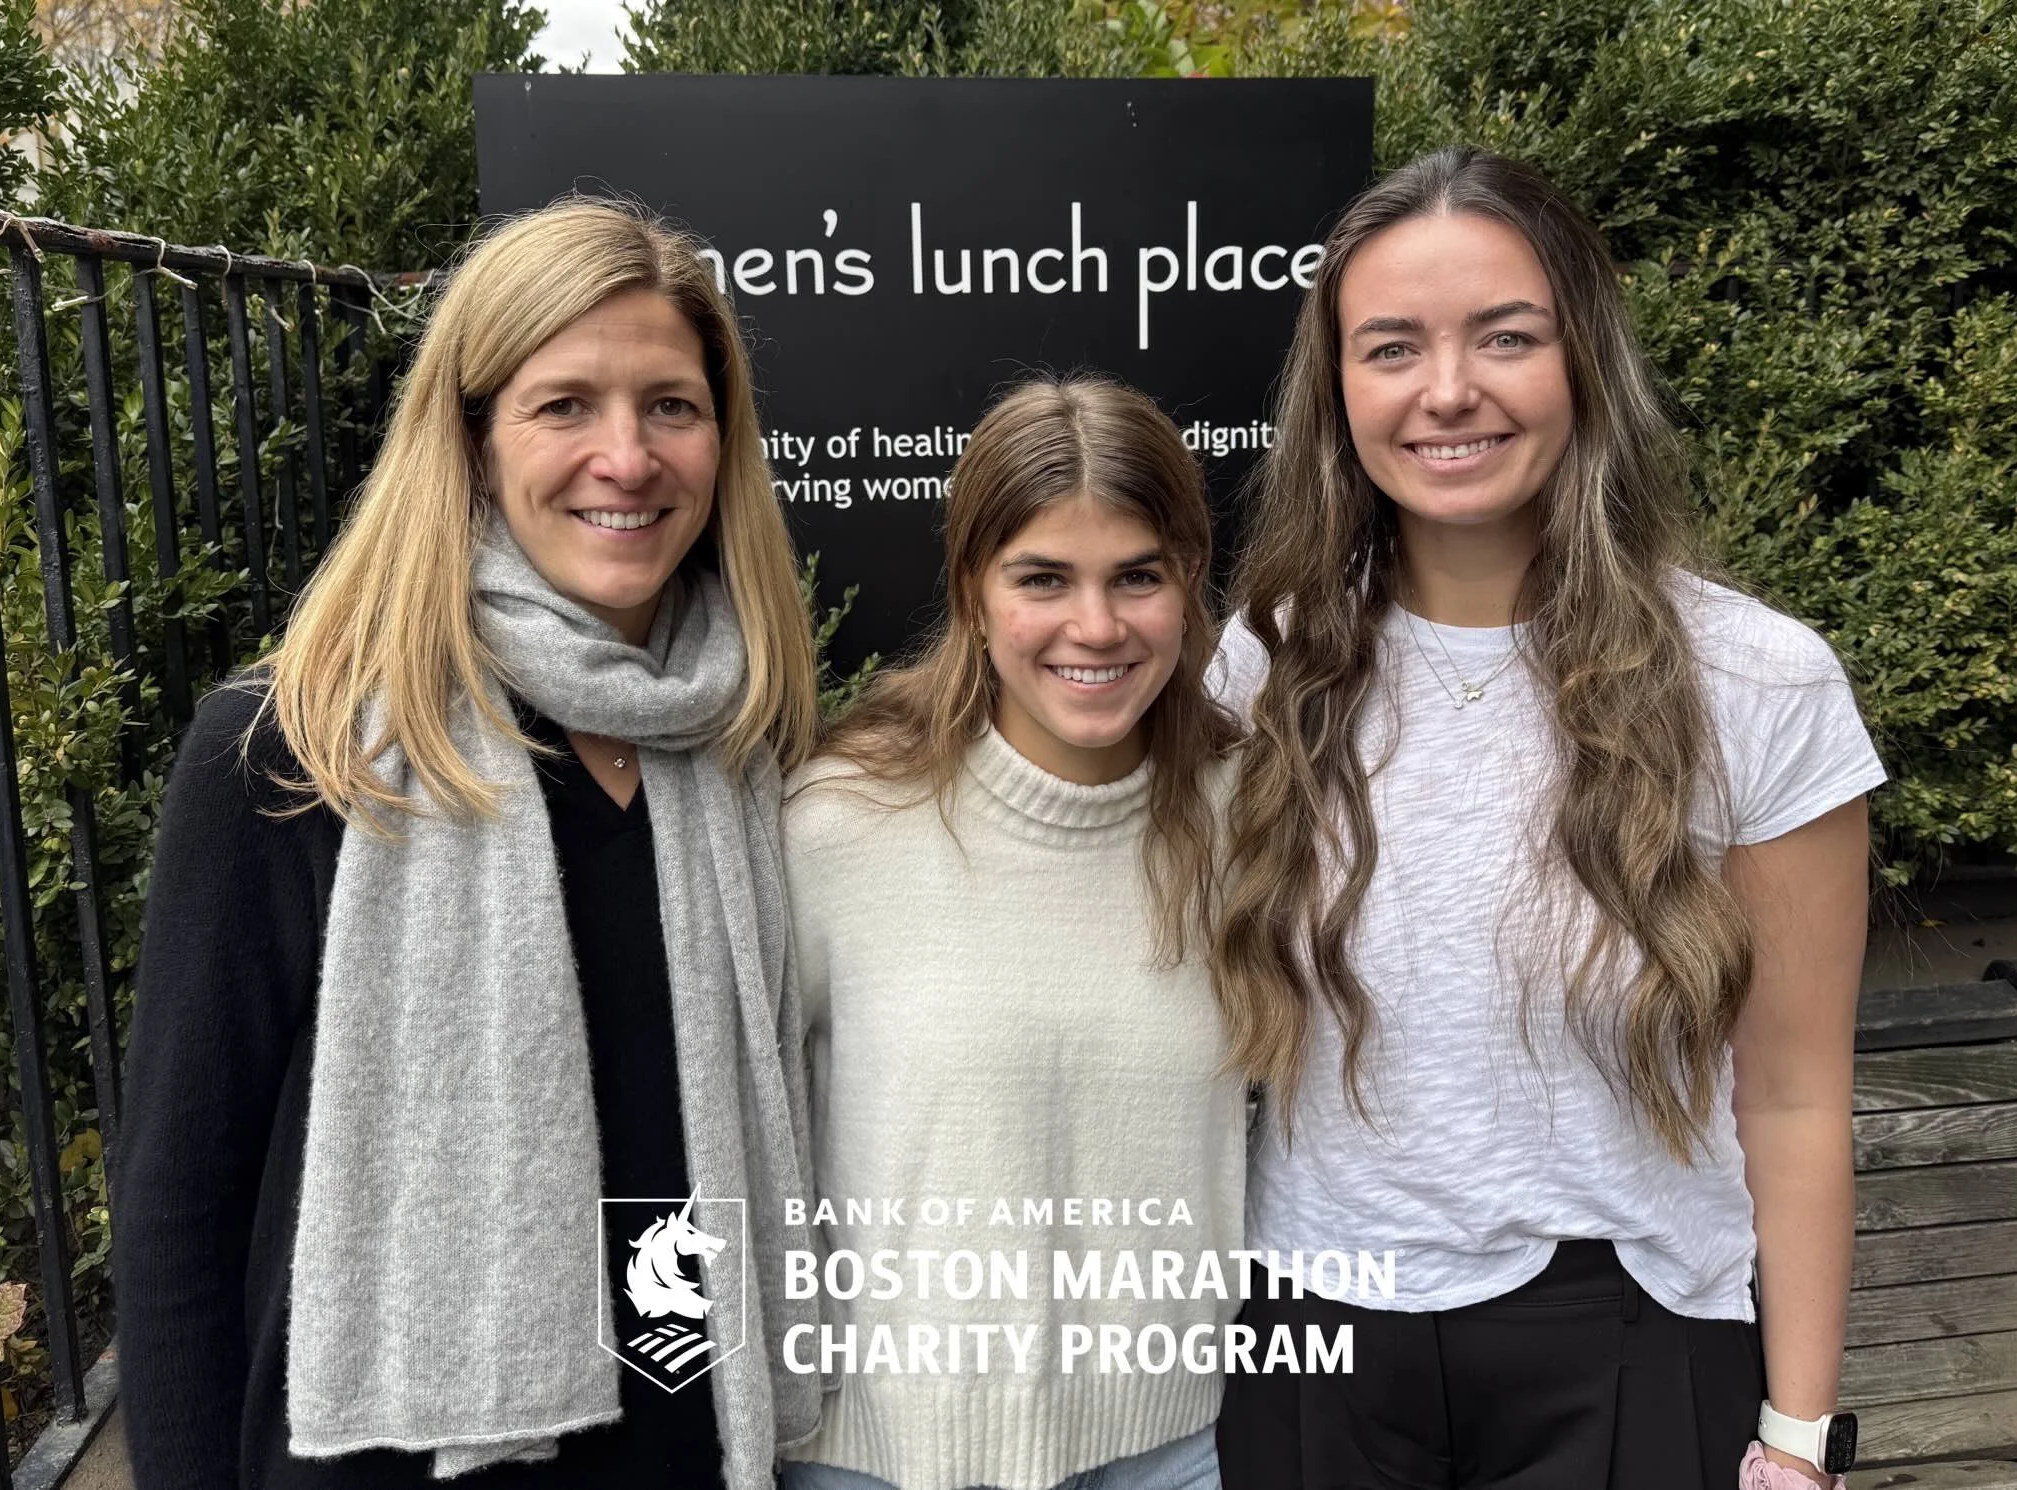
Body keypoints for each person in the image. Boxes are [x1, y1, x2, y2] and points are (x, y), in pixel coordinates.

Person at [113, 199, 824, 1488]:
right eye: (564, 405)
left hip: (686, 1440)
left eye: (670, 404)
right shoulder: (297, 747)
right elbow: (177, 1211)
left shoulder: (737, 738)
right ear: (474, 438)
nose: (627, 456)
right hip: (383, 1453)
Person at [1208, 147, 1884, 1490]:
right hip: (1312, 1335)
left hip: (1633, 1340)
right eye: (1391, 346)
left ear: (1582, 359)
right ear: (1337, 390)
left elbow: (1798, 1090)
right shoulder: (1257, 668)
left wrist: (1798, 1439)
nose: (1448, 389)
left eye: (1505, 337)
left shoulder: (1757, 680)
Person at [779, 377, 1244, 1490]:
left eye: (1137, 575)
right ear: (974, 594)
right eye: (1042, 578)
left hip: (1175, 1449)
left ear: (1187, 583)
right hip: (880, 1458)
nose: (1095, 625)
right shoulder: (836, 821)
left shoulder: (1252, 813)